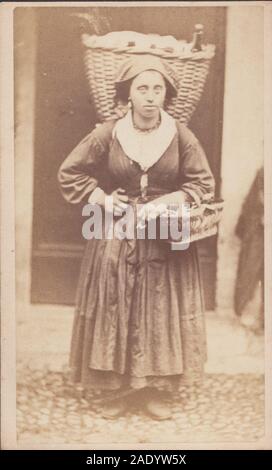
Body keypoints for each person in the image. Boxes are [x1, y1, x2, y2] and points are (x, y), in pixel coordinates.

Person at [58, 54, 215, 420]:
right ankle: (114, 390)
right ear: (128, 94)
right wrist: (102, 198)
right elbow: (71, 172)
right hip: (116, 227)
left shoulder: (180, 135)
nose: (150, 96)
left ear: (167, 94)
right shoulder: (108, 132)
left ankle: (152, 389)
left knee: (160, 306)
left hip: (164, 232)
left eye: (157, 89)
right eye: (142, 88)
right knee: (115, 301)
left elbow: (202, 183)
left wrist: (172, 200)